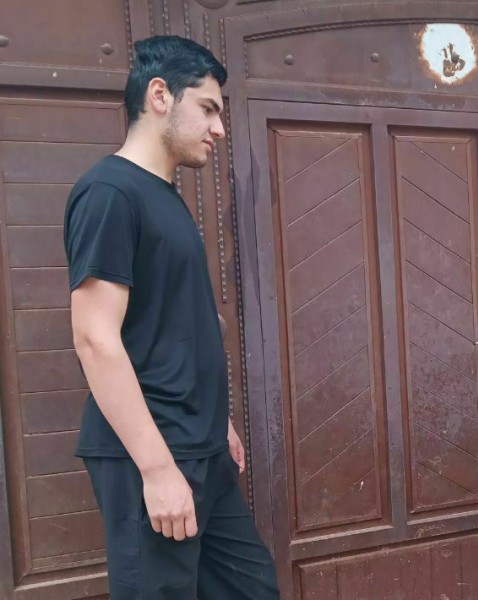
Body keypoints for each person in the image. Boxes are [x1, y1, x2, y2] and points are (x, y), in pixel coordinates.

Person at [64, 35, 280, 599]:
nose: (219, 128)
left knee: (249, 588)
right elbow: (94, 337)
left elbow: (173, 324)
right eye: (207, 108)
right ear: (160, 95)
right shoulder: (110, 192)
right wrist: (158, 471)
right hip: (154, 454)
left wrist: (218, 422)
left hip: (199, 444)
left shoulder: (163, 196)